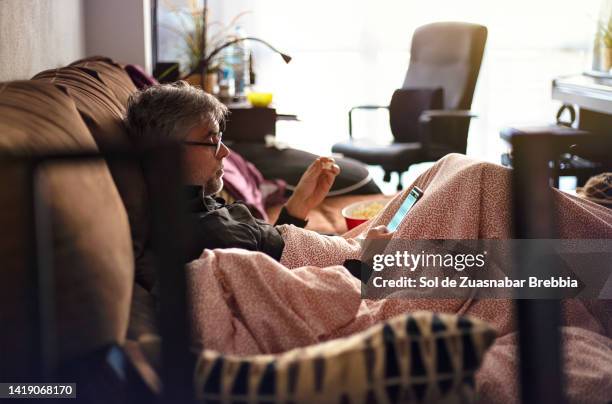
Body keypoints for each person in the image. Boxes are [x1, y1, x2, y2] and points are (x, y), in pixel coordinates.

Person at [125, 81, 392, 263]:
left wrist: (298, 205)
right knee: (432, 197)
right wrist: (366, 254)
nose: (224, 152)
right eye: (211, 141)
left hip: (352, 254)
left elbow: (271, 251)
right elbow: (300, 281)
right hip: (366, 270)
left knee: (422, 196)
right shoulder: (207, 233)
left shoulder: (201, 210)